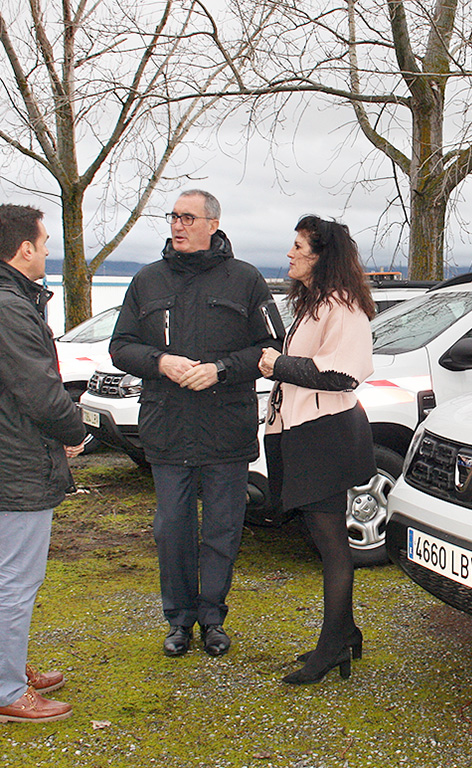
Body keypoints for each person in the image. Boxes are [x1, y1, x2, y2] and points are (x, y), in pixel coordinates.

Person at [110, 190, 284, 658]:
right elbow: (120, 345)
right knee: (172, 529)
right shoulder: (147, 280)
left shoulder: (246, 280)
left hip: (225, 429)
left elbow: (271, 347)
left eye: (188, 217)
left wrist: (221, 369)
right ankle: (178, 620)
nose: (177, 225)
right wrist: (159, 360)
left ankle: (213, 619)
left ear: (213, 223)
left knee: (222, 529)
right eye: (173, 217)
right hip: (168, 429)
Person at [258, 215, 376, 684]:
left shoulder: (342, 307)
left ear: (320, 256)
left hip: (327, 433)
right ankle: (344, 633)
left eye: (298, 246)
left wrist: (278, 363)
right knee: (322, 539)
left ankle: (333, 644)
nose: (289, 254)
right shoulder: (315, 303)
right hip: (305, 431)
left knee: (331, 544)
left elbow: (343, 375)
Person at [0, 204, 86, 722]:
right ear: (24, 248)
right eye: (45, 242)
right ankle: (8, 690)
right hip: (16, 463)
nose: (50, 250)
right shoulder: (9, 307)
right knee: (15, 579)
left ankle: (7, 668)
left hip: (12, 453)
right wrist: (75, 430)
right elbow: (38, 391)